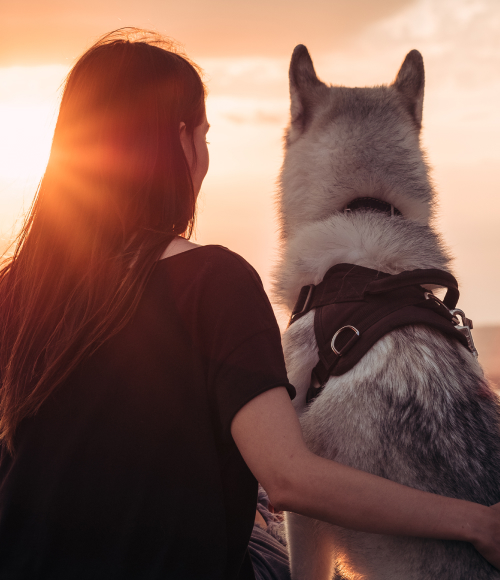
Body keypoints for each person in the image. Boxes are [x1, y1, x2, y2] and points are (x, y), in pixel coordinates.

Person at [0, 28, 499, 580]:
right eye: (205, 134)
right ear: (179, 140)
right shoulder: (212, 280)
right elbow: (289, 479)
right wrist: (475, 521)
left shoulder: (13, 291)